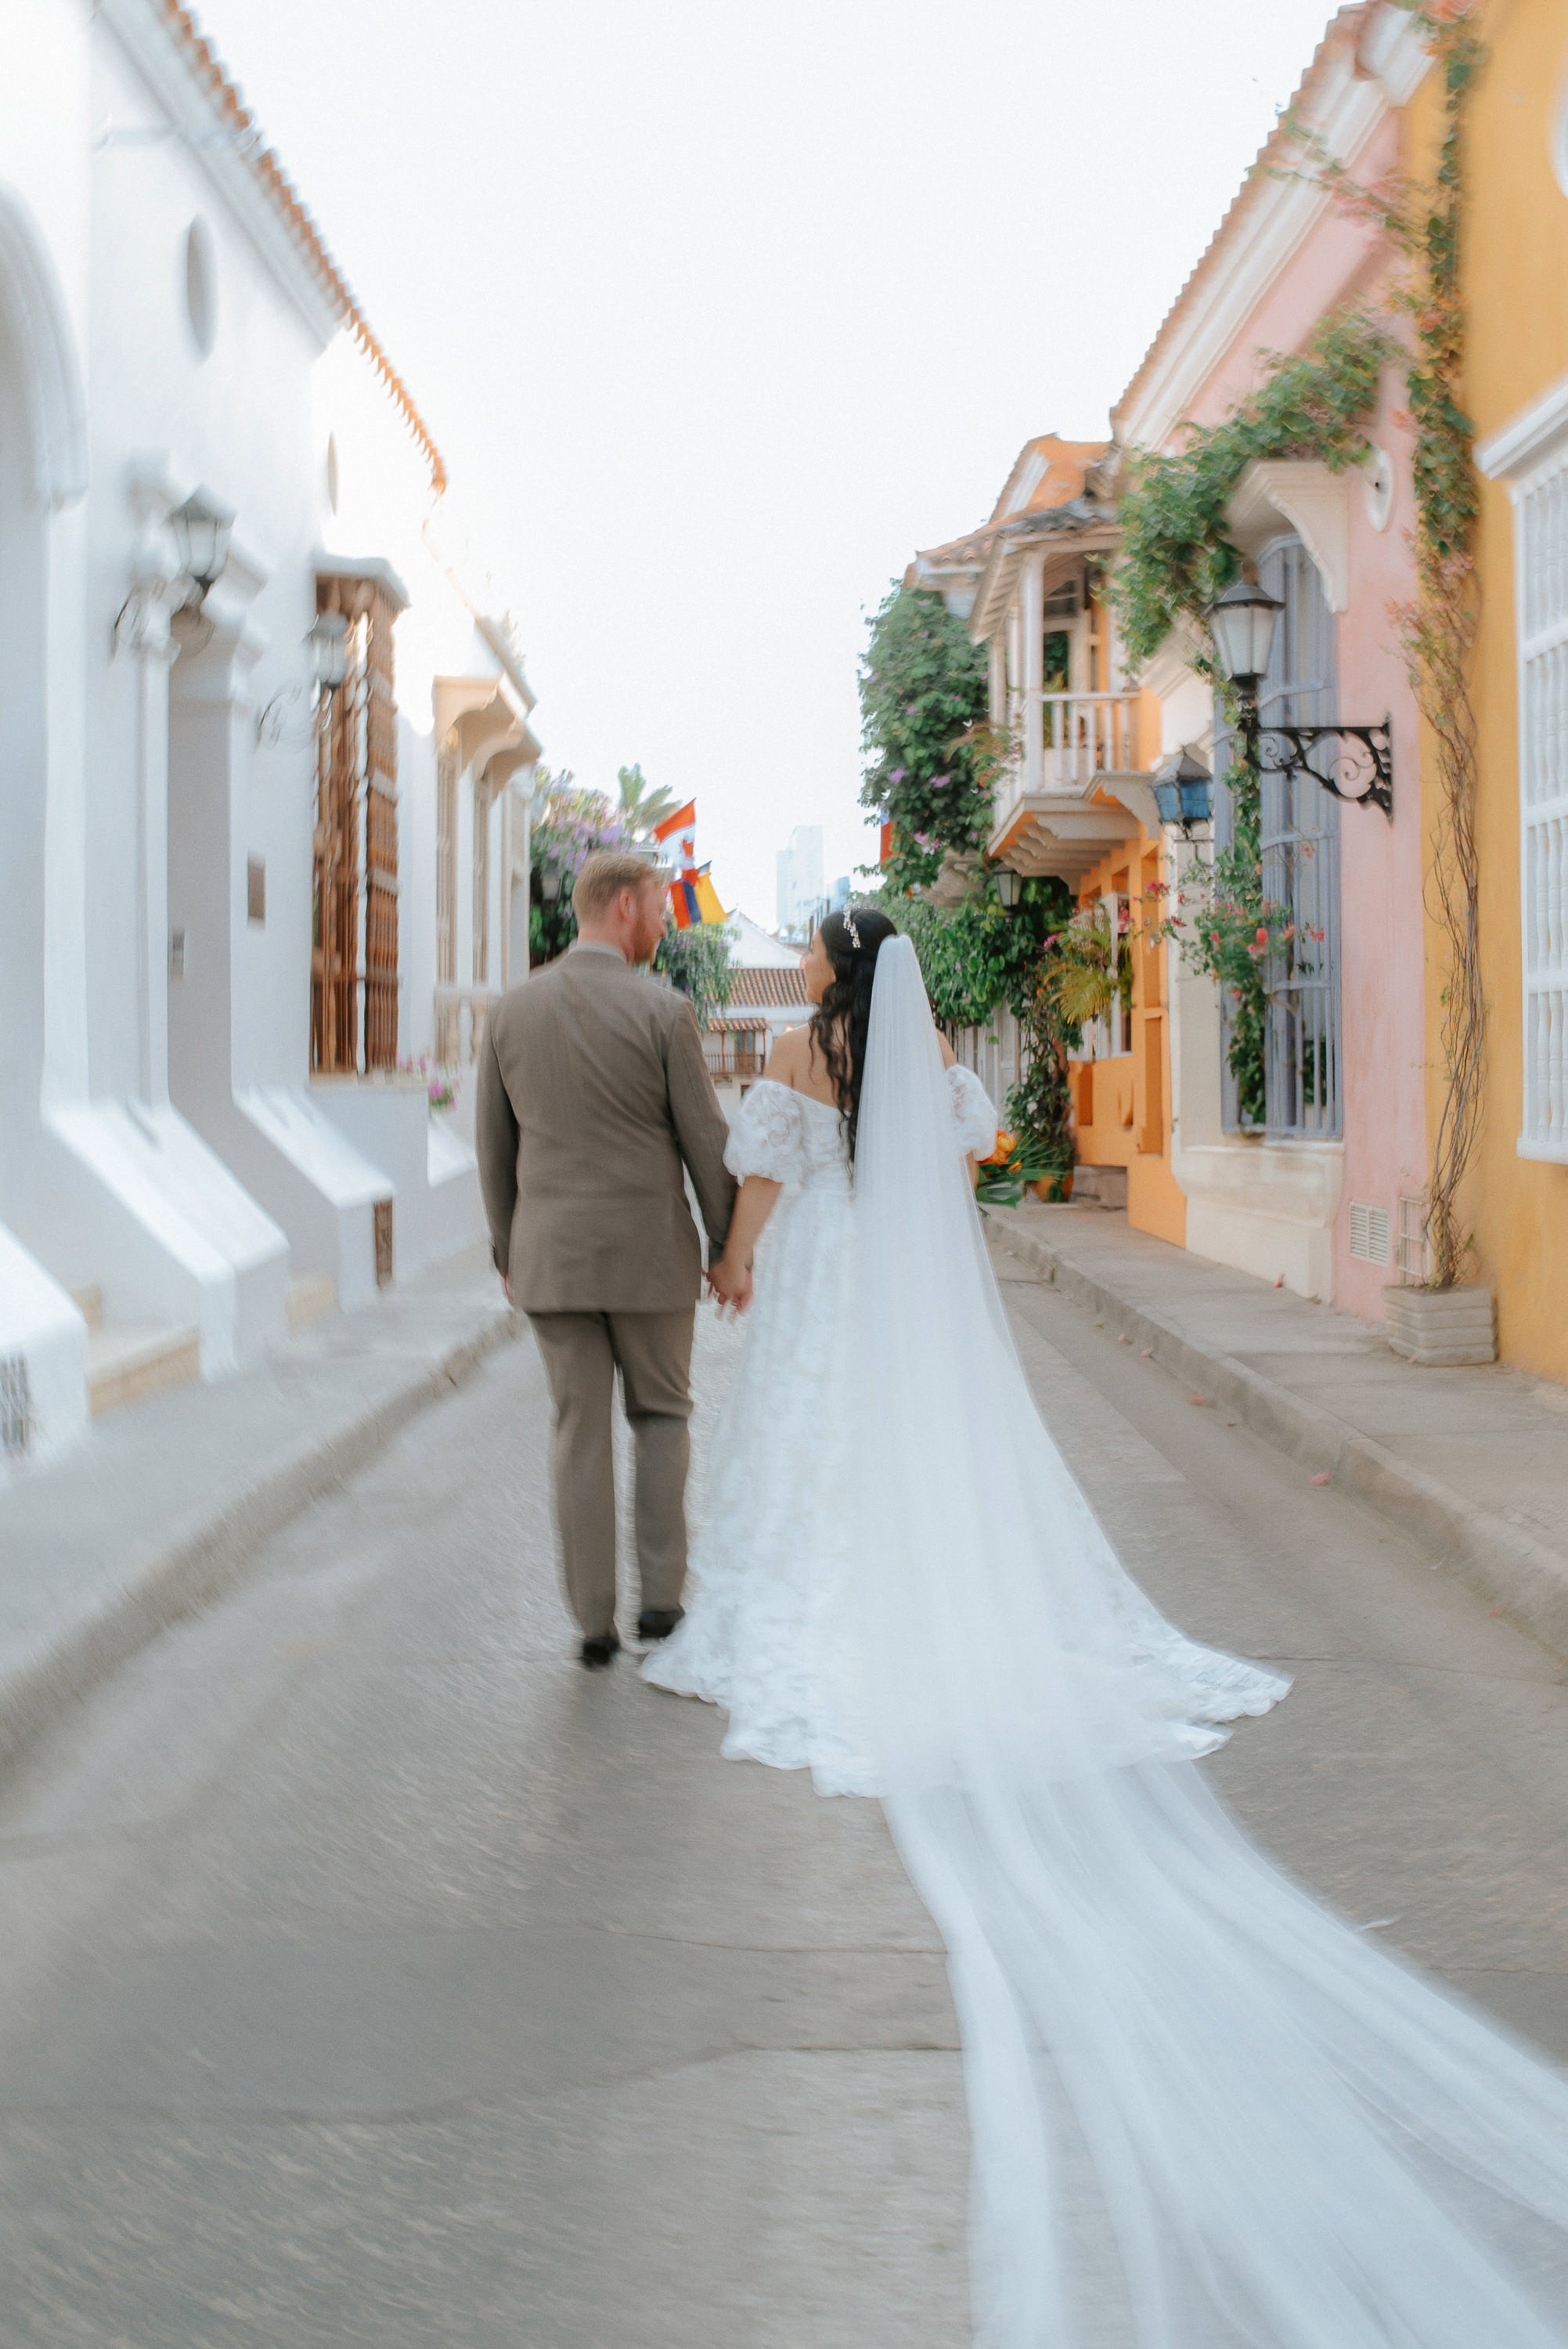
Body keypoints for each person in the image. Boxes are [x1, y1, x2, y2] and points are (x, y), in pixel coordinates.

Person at [648, 907, 1568, 2349]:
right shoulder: (922, 1043)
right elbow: (957, 1163)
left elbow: (759, 1183)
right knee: (908, 1452)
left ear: (827, 960)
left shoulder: (785, 1049)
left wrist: (739, 1262)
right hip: (897, 1278)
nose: (815, 972)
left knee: (809, 1444)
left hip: (829, 1276)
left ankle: (796, 1609)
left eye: (817, 952)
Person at [476, 850, 737, 1669]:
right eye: (659, 908)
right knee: (661, 1418)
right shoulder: (662, 1012)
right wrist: (729, 1247)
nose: (664, 925)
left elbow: (493, 1147)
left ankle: (591, 1623)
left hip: (551, 1258)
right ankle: (660, 1604)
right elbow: (705, 1141)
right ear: (624, 905)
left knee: (576, 1431)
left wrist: (507, 1247)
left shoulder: (511, 1012)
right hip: (650, 1258)